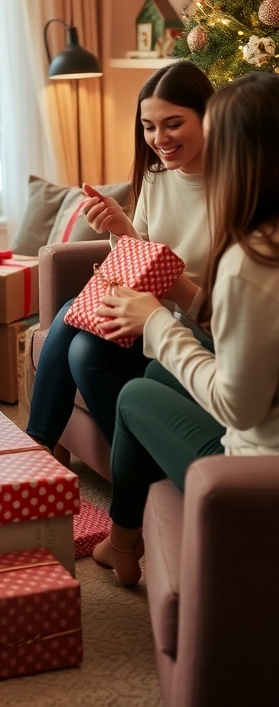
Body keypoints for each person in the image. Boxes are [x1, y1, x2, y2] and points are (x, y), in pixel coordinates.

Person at [92, 72, 279, 586]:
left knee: (133, 394)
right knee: (145, 373)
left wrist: (155, 322)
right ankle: (121, 541)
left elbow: (238, 406)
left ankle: (122, 539)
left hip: (257, 471)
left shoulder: (252, 262)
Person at [26, 61, 214, 455]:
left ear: (208, 116)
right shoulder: (157, 178)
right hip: (147, 316)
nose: (159, 138)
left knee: (83, 346)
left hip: (197, 330)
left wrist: (172, 284)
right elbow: (141, 263)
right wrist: (120, 229)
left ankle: (130, 466)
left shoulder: (237, 191)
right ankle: (38, 450)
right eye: (149, 126)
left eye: (173, 123)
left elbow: (225, 312)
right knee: (71, 314)